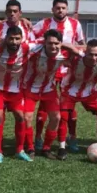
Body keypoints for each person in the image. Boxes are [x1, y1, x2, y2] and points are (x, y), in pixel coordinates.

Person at [31, 0, 83, 152]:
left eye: (63, 8)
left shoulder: (75, 24)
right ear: (53, 9)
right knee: (45, 105)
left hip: (68, 70)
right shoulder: (44, 23)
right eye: (58, 8)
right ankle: (38, 138)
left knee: (69, 106)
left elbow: (81, 44)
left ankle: (71, 138)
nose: (61, 10)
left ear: (67, 9)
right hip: (49, 69)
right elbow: (31, 39)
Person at [22, 29, 81, 160]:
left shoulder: (64, 53)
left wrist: (71, 48)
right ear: (44, 43)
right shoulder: (34, 49)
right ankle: (30, 147)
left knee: (56, 118)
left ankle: (46, 148)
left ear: (61, 43)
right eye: (49, 43)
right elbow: (20, 45)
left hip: (49, 89)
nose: (53, 46)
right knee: (27, 118)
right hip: (30, 89)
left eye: (56, 43)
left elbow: (82, 53)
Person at [0, 25, 31, 163]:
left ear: (22, 39)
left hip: (16, 91)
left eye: (17, 39)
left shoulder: (27, 48)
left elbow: (46, 43)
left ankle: (20, 150)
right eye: (11, 38)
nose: (14, 42)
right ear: (6, 39)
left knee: (20, 117)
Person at [60, 39, 97, 148]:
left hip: (90, 91)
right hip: (70, 89)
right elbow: (64, 45)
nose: (93, 58)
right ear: (85, 52)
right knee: (65, 116)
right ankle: (69, 140)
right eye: (90, 54)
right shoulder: (77, 56)